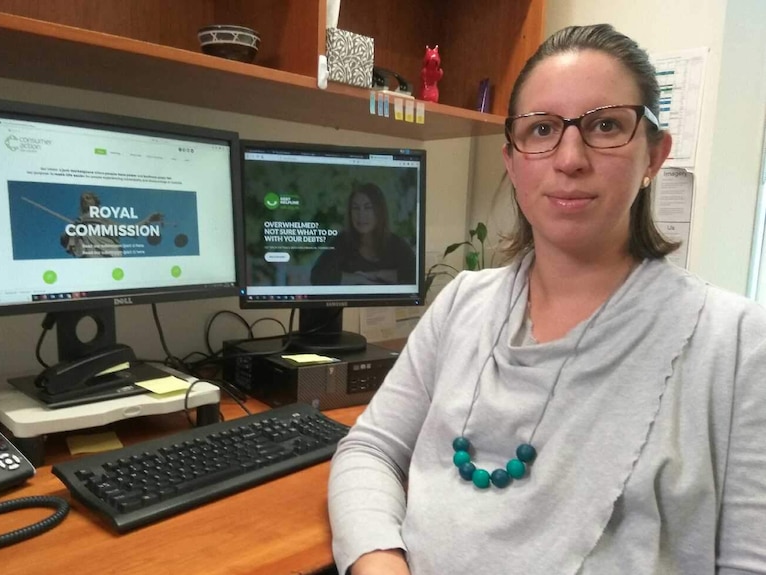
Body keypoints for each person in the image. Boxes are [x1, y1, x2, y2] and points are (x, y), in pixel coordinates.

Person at [327, 23, 766, 575]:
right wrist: (378, 560)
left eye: (606, 125)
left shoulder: (739, 345)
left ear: (654, 155)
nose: (570, 158)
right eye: (541, 130)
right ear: (512, 162)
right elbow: (369, 450)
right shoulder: (464, 303)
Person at [310, 183, 416, 285]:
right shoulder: (342, 241)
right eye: (356, 208)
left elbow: (414, 275)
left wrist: (377, 274)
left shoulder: (396, 244)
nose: (361, 215)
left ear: (379, 211)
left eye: (368, 207)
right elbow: (317, 276)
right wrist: (358, 279)